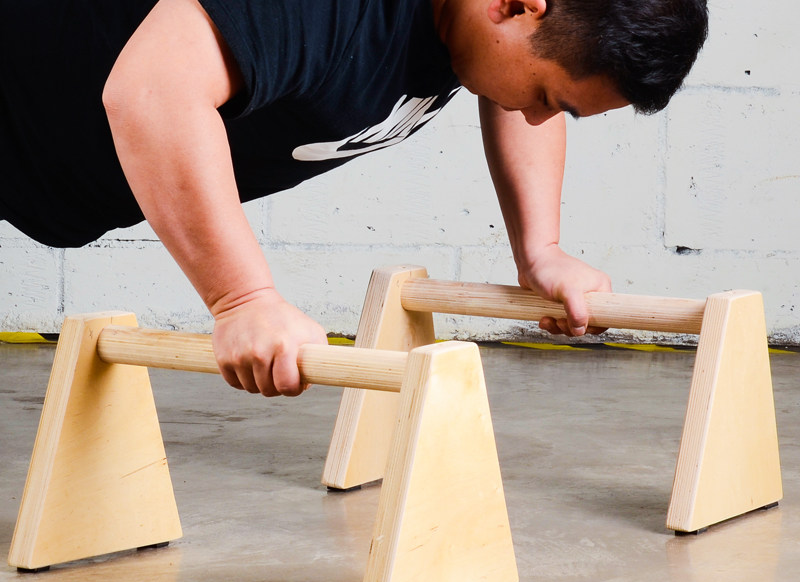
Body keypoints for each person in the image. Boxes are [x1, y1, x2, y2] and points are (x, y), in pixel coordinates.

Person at [0, 0, 708, 396]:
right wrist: (242, 300)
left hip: (50, 171)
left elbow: (512, 99)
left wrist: (540, 249)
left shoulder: (476, 30)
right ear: (518, 4)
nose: (536, 116)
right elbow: (152, 91)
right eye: (550, 97)